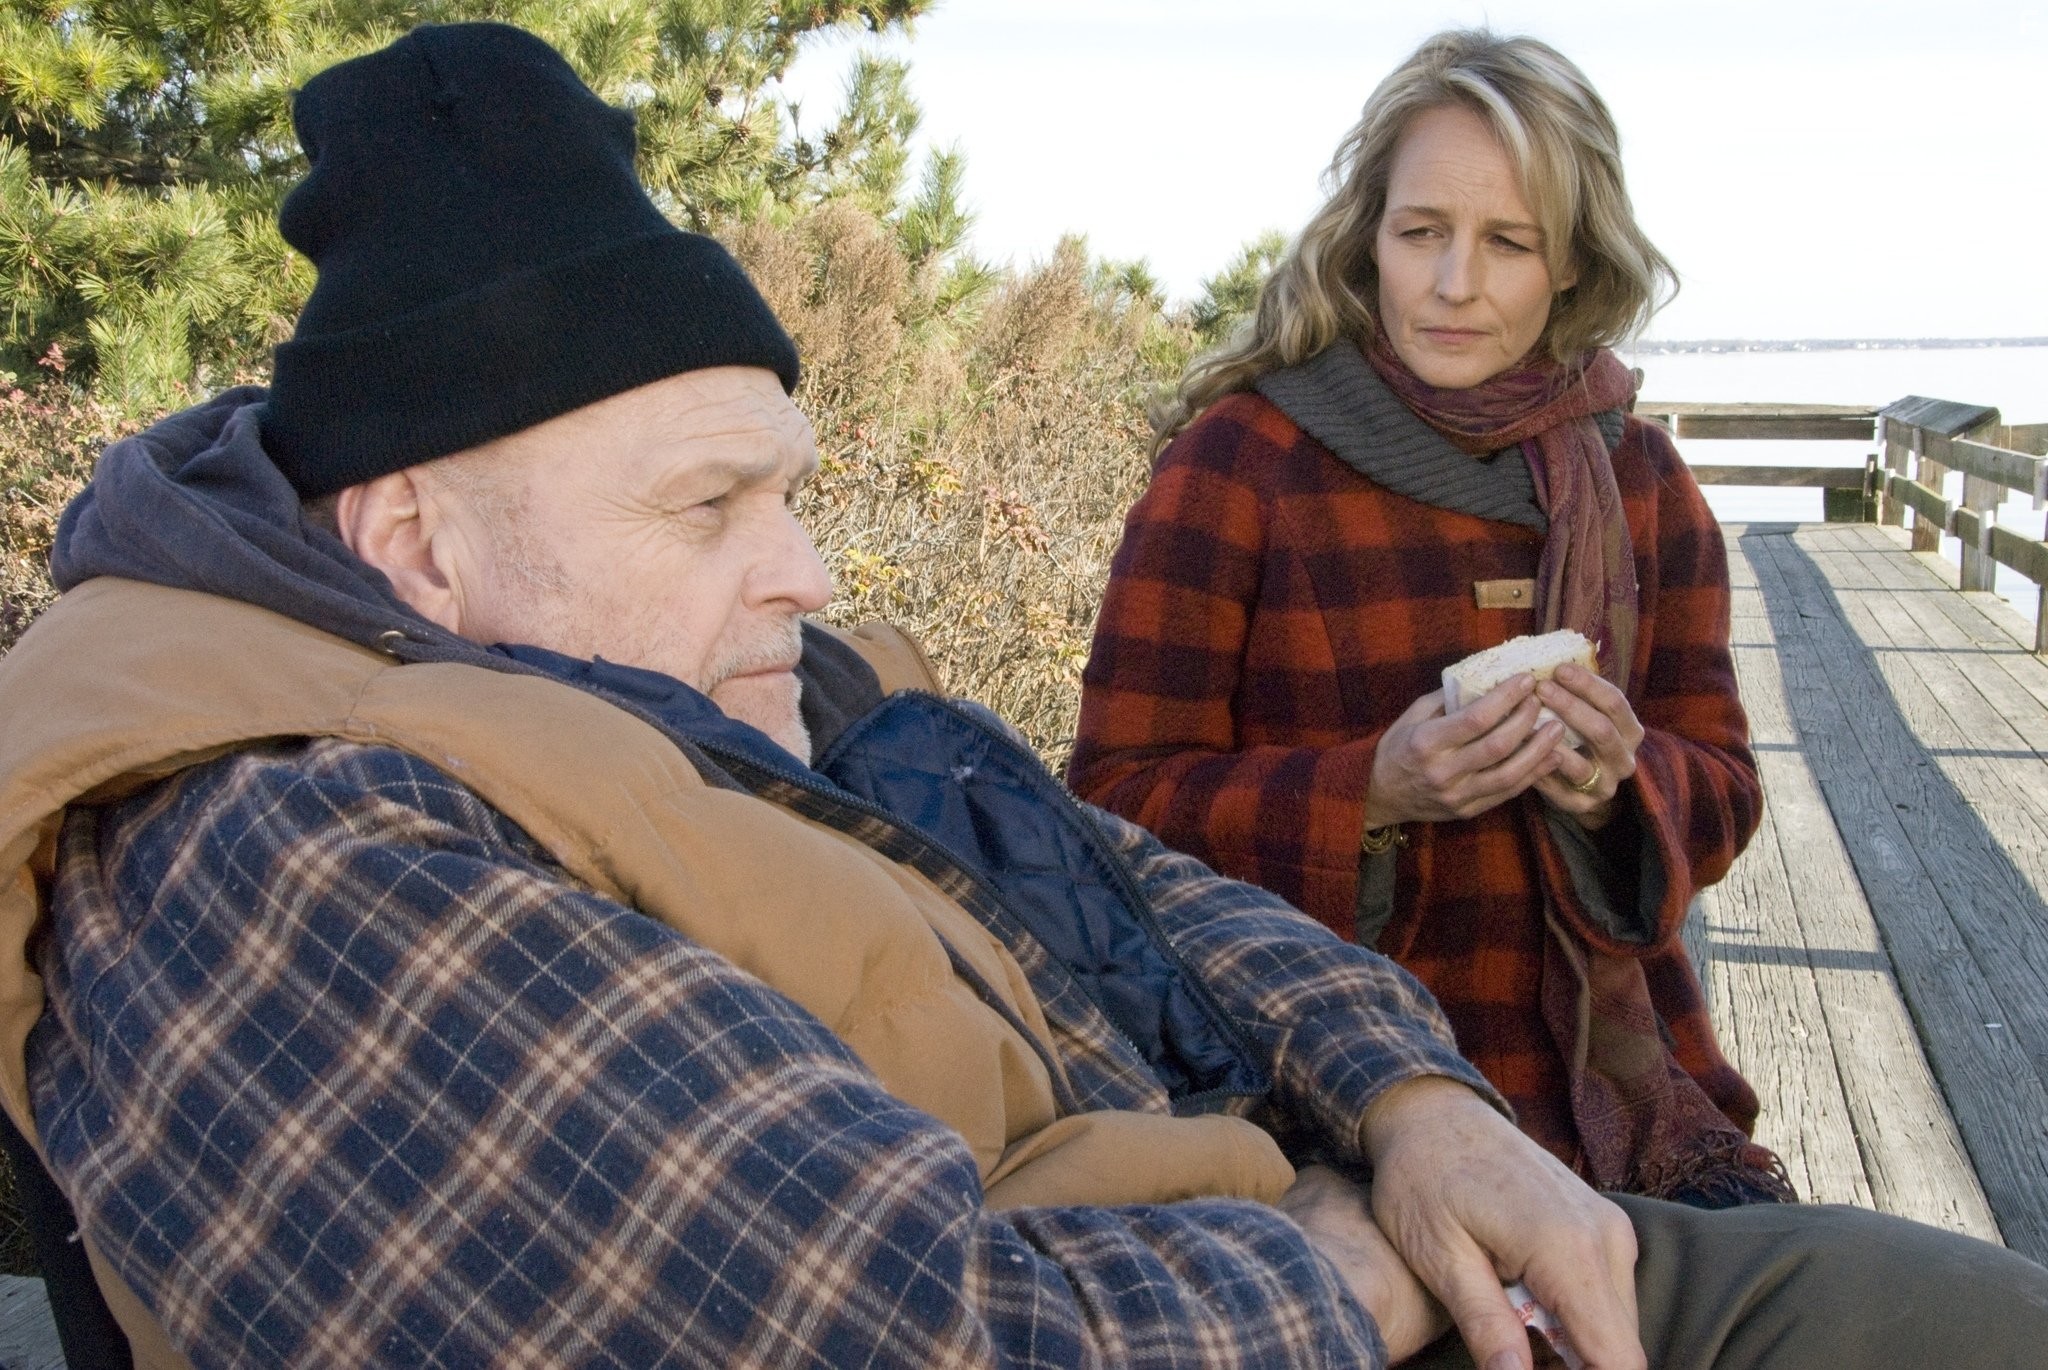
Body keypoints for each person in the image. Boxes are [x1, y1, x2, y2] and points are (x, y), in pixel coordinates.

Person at [0, 21, 2044, 1370]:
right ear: (420, 543)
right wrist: (1385, 823)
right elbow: (914, 1326)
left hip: (1426, 1165)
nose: (804, 570)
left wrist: (1420, 1104)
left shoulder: (743, 676)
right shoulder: (274, 845)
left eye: (789, 490)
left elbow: (1123, 877)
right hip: (1289, 1292)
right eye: (712, 503)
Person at [1069, 30, 1778, 1206]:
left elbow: (1723, 784)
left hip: (1619, 1123)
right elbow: (1104, 809)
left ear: (1572, 261)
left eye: (1508, 242)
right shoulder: (1239, 462)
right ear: (1368, 237)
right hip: (1316, 1119)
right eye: (1420, 234)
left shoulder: (1641, 477)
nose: (1454, 284)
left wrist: (1617, 785)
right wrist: (1371, 792)